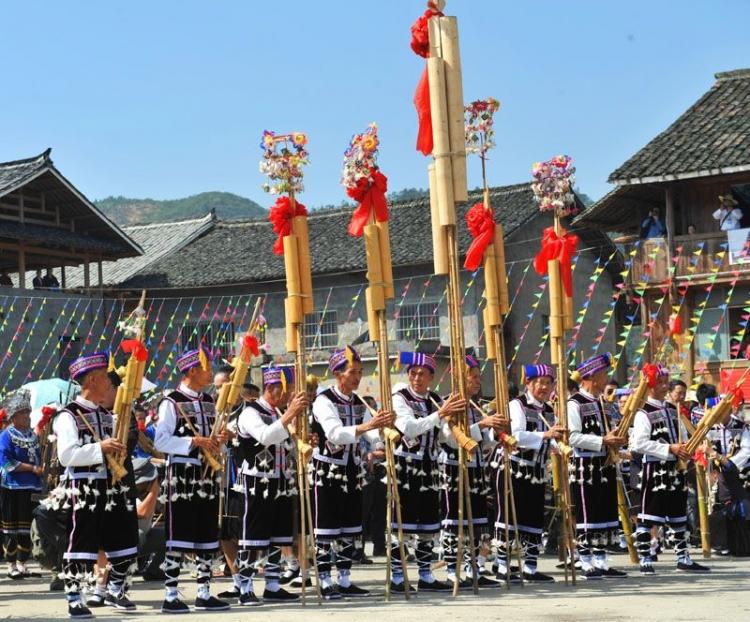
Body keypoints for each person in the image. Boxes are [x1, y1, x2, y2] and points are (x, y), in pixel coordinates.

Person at [53, 352, 139, 617]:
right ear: (91, 380)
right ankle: (74, 597)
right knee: (82, 540)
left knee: (123, 536)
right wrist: (99, 448)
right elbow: (66, 455)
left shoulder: (108, 415)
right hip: (85, 487)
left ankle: (116, 589)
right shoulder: (68, 415)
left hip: (112, 486)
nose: (110, 385)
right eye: (105, 379)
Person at [311, 345, 393, 599]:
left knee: (350, 527)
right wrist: (370, 424)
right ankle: (324, 580)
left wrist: (383, 434)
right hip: (328, 469)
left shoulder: (358, 401)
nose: (357, 377)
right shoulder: (324, 400)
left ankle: (345, 580)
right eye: (352, 372)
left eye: (359, 371)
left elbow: (370, 434)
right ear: (337, 374)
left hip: (353, 470)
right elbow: (335, 433)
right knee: (326, 527)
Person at [154, 346, 230, 614]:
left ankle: (204, 592)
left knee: (207, 534)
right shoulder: (171, 402)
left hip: (207, 475)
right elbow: (160, 441)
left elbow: (215, 442)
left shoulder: (209, 401)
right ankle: (171, 595)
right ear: (192, 371)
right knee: (179, 536)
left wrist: (219, 442)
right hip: (183, 476)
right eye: (207, 367)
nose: (211, 372)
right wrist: (194, 441)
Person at [232, 365, 307, 605]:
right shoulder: (250, 412)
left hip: (281, 479)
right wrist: (289, 414)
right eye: (287, 391)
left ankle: (273, 585)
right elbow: (265, 436)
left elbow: (286, 440)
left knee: (278, 535)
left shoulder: (279, 412)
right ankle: (245, 587)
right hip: (257, 480)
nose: (289, 396)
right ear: (273, 389)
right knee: (253, 536)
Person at [389, 351, 461, 593]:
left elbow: (443, 437)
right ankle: (398, 576)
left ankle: (425, 574)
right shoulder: (400, 398)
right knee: (403, 525)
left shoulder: (435, 400)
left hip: (430, 467)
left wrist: (458, 427)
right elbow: (408, 428)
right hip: (406, 467)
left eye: (422, 374)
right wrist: (440, 414)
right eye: (413, 373)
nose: (417, 378)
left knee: (428, 526)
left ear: (432, 377)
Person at [630, 364, 710, 574]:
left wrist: (688, 449)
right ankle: (645, 558)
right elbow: (638, 444)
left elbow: (682, 437)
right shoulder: (643, 413)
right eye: (661, 383)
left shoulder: (672, 410)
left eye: (667, 383)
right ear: (650, 386)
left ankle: (683, 557)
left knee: (678, 515)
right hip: (655, 470)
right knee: (649, 516)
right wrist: (669, 448)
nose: (665, 387)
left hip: (676, 470)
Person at [494, 364, 564, 583]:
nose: (544, 387)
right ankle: (503, 565)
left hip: (536, 470)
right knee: (509, 517)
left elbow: (550, 439)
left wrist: (558, 445)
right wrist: (545, 435)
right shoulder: (517, 405)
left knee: (533, 518)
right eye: (539, 383)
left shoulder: (549, 410)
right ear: (529, 384)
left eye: (548, 383)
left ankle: (530, 567)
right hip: (513, 467)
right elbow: (516, 436)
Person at [439, 355, 501, 588]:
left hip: (476, 470)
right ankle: (452, 571)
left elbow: (482, 441)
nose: (477, 382)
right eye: (473, 377)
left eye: (478, 378)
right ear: (460, 379)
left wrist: (495, 433)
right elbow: (450, 439)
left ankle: (472, 567)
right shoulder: (448, 404)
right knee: (455, 522)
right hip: (454, 469)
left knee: (476, 521)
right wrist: (483, 426)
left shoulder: (475, 406)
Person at [567, 353, 628, 579]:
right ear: (592, 377)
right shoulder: (574, 403)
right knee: (587, 512)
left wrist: (621, 439)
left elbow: (614, 430)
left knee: (605, 511)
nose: (607, 379)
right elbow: (572, 437)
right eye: (604, 374)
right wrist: (603, 441)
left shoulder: (603, 402)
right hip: (585, 465)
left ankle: (602, 561)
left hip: (606, 464)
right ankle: (584, 561)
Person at [0, 389, 42, 579]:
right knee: (12, 527)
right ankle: (11, 564)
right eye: (23, 413)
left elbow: (40, 458)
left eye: (28, 412)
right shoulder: (6, 436)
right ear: (14, 416)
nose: (27, 416)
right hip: (12, 487)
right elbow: (6, 462)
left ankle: (23, 562)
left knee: (27, 526)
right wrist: (32, 469)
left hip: (32, 487)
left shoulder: (33, 436)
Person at [360, 395, 386, 559]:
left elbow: (382, 450)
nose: (372, 412)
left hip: (377, 471)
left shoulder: (375, 431)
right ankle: (358, 549)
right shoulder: (358, 427)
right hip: (361, 473)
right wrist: (366, 456)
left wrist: (371, 454)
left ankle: (380, 546)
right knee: (362, 513)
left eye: (373, 407)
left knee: (379, 512)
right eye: (368, 408)